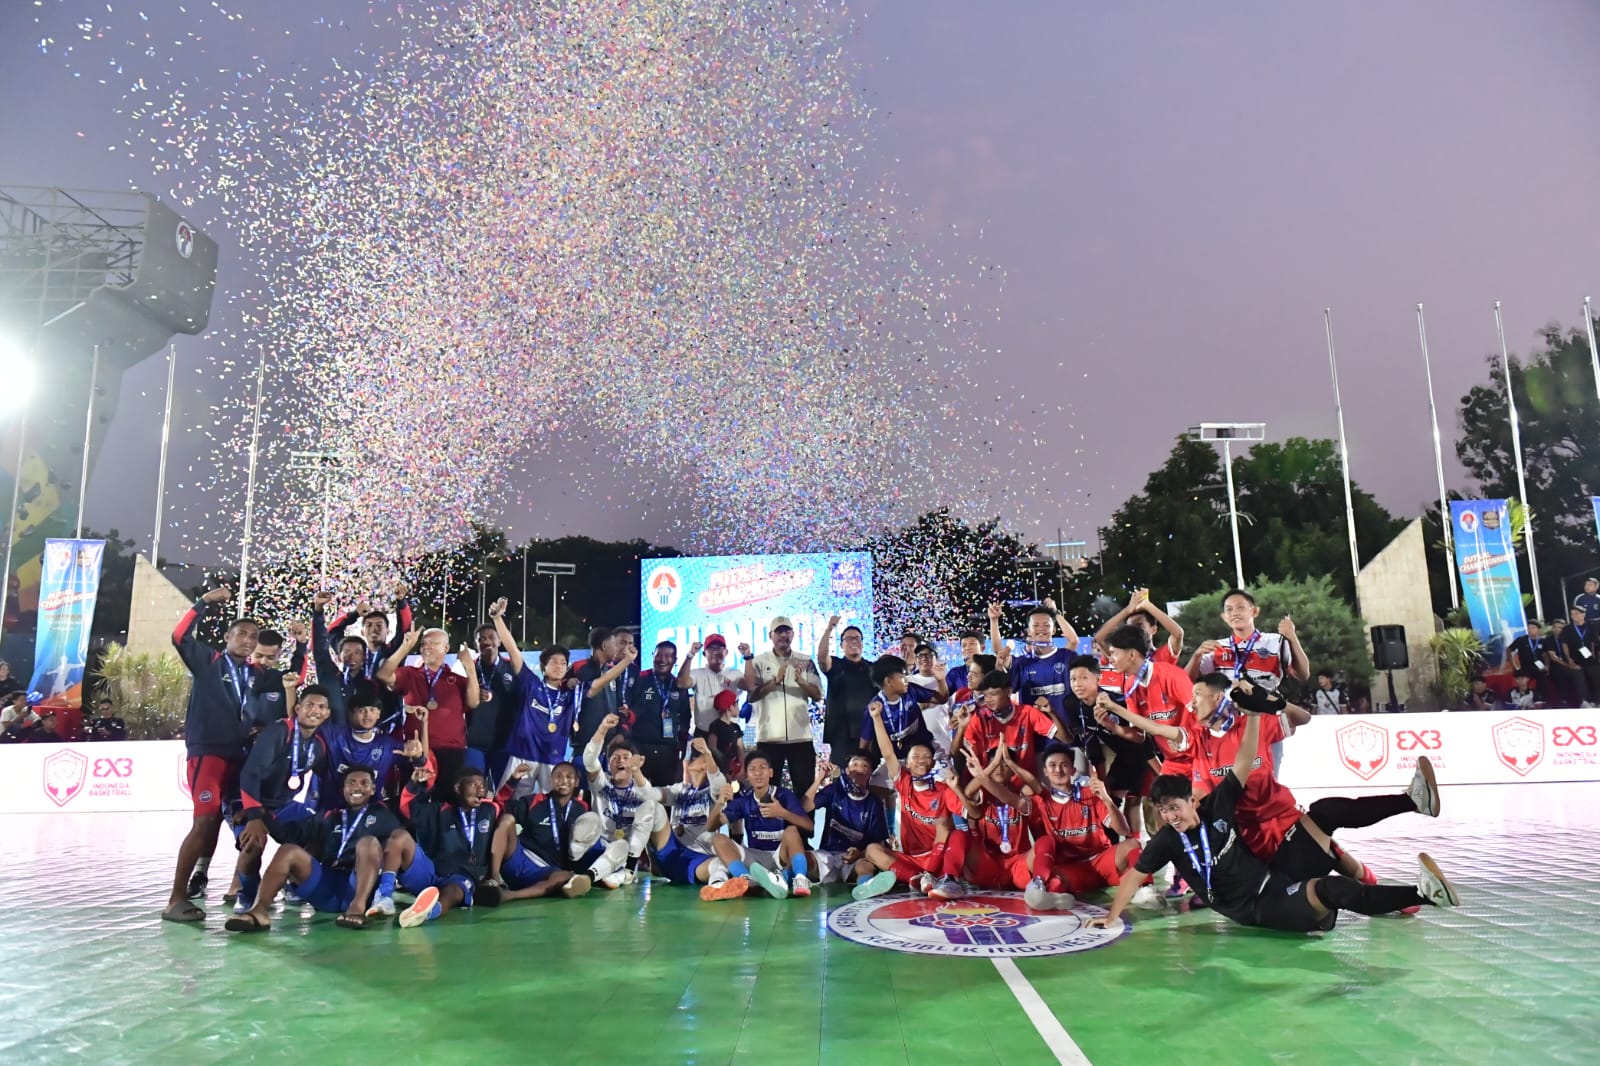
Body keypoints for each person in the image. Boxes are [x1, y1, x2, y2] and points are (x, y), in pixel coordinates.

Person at [1089, 703, 1460, 934]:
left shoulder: (1217, 804)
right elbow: (1134, 875)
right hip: (1260, 906)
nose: (1171, 816)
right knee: (1331, 888)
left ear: (1192, 801)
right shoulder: (1168, 840)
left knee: (1326, 813)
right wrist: (1112, 916)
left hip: (1277, 868)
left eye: (1175, 807)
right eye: (1165, 811)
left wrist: (1252, 716)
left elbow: (1243, 759)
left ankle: (1413, 800)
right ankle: (1423, 895)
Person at [163, 586, 273, 922]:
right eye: (241, 634)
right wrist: (204, 603)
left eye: (253, 636)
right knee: (205, 821)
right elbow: (179, 635)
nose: (248, 640)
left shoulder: (255, 675)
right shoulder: (209, 661)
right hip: (208, 753)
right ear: (227, 636)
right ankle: (176, 899)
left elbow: (286, 688)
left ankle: (245, 893)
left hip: (240, 758)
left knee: (251, 824)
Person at [224, 765, 402, 932]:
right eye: (351, 783)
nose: (357, 788)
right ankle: (259, 911)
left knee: (368, 843)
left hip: (359, 885)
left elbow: (398, 847)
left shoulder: (384, 815)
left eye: (364, 783)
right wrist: (260, 814)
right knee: (288, 850)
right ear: (343, 789)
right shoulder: (330, 816)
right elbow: (288, 834)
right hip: (327, 885)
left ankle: (357, 908)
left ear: (372, 790)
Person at [233, 685, 335, 914]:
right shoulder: (279, 732)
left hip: (283, 806)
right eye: (309, 705)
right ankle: (247, 894)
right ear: (297, 708)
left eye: (321, 707)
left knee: (320, 828)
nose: (315, 711)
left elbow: (326, 776)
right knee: (252, 844)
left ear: (327, 713)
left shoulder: (318, 745)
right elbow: (250, 775)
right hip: (248, 802)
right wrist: (253, 816)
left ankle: (294, 883)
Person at [861, 700, 970, 900]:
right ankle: (915, 878)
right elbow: (888, 752)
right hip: (913, 860)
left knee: (959, 835)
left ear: (932, 762)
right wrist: (877, 718)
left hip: (940, 857)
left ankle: (949, 881)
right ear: (908, 763)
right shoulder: (904, 783)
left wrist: (933, 864)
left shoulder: (944, 789)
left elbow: (952, 824)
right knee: (872, 850)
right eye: (916, 756)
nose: (921, 759)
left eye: (926, 756)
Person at [389, 764, 513, 925]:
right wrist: (415, 783)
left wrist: (514, 781)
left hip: (463, 877)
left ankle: (429, 912)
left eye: (483, 786)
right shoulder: (439, 811)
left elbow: (501, 801)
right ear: (458, 788)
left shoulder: (488, 810)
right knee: (399, 837)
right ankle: (384, 896)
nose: (480, 790)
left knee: (453, 891)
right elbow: (408, 809)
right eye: (474, 785)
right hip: (432, 873)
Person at [487, 760, 619, 901]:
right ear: (551, 779)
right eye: (558, 776)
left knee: (564, 876)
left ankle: (507, 896)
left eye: (569, 777)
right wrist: (513, 781)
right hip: (521, 859)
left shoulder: (582, 808)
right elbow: (498, 807)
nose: (563, 780)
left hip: (548, 872)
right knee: (507, 819)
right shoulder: (534, 801)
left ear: (576, 782)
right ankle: (494, 878)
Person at [377, 625, 482, 792]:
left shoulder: (457, 679)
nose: (426, 646)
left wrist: (469, 667)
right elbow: (383, 675)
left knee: (448, 803)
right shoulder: (410, 674)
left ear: (446, 648)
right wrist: (406, 647)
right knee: (413, 802)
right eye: (423, 643)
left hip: (451, 752)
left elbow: (474, 702)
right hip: (416, 750)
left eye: (433, 642)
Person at [702, 748, 814, 900]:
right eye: (752, 769)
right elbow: (710, 827)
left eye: (762, 768)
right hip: (753, 858)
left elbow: (809, 826)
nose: (758, 773)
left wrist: (782, 813)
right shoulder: (744, 801)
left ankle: (800, 880)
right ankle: (747, 880)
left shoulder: (784, 796)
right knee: (718, 839)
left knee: (792, 831)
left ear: (771, 773)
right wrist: (720, 802)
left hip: (778, 856)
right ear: (747, 776)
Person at [744, 616, 822, 796]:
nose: (783, 635)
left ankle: (802, 825)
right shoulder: (759, 662)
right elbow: (752, 695)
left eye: (787, 631)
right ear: (770, 635)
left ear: (793, 634)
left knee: (804, 793)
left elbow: (818, 695)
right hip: (769, 739)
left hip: (801, 738)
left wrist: (802, 682)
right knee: (767, 794)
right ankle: (770, 825)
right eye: (778, 632)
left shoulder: (805, 661)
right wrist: (775, 681)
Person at [582, 713, 661, 885]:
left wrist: (637, 771)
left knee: (649, 806)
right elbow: (589, 760)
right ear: (608, 764)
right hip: (599, 846)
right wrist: (602, 730)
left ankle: (627, 870)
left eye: (626, 758)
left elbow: (647, 793)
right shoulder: (601, 783)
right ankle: (595, 874)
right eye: (615, 758)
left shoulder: (641, 786)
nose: (620, 761)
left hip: (625, 852)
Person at [804, 750, 892, 897]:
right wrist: (819, 778)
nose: (859, 769)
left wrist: (860, 854)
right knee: (803, 857)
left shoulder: (874, 803)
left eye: (864, 766)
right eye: (855, 764)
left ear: (870, 772)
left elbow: (878, 844)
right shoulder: (834, 791)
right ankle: (785, 879)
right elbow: (805, 807)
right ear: (846, 771)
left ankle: (865, 887)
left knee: (866, 866)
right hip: (827, 855)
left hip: (853, 860)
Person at [645, 738, 727, 889]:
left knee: (719, 864)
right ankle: (651, 863)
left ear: (708, 766)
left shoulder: (713, 793)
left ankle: (717, 888)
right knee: (652, 807)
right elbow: (652, 794)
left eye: (699, 757)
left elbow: (718, 783)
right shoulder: (680, 789)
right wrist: (635, 774)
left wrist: (707, 752)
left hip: (697, 859)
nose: (694, 759)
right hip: (670, 851)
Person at [319, 691, 426, 807]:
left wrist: (418, 756)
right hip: (333, 810)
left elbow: (422, 768)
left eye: (372, 710)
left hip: (371, 814)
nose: (367, 715)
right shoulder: (333, 734)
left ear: (379, 714)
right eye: (361, 710)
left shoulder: (388, 745)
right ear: (350, 714)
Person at [991, 598, 1080, 721]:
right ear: (1029, 631)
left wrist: (1055, 612)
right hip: (1034, 734)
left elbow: (1074, 640)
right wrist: (994, 620)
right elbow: (999, 652)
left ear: (1053, 630)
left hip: (1068, 733)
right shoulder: (1021, 663)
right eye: (1035, 625)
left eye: (1046, 625)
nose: (1041, 628)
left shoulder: (1067, 656)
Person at [629, 640, 692, 785]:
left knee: (666, 798)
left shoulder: (679, 685)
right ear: (652, 656)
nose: (662, 659)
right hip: (640, 747)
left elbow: (685, 717)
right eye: (659, 655)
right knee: (637, 795)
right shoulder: (640, 679)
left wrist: (681, 744)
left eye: (668, 656)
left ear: (675, 660)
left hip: (668, 750)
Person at [859, 655, 937, 769]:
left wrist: (940, 680)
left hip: (922, 756)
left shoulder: (911, 691)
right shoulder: (874, 709)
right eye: (903, 676)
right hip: (893, 762)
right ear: (888, 681)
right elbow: (865, 745)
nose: (907, 680)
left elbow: (942, 698)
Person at [816, 615, 876, 760]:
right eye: (849, 639)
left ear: (862, 644)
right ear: (841, 645)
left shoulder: (873, 669)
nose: (853, 642)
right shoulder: (836, 665)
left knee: (873, 778)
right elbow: (822, 658)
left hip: (870, 734)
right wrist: (829, 629)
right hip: (841, 735)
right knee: (843, 778)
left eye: (857, 639)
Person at [466, 616, 518, 775]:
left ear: (500, 641)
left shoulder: (512, 667)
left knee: (504, 793)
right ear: (476, 644)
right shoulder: (468, 669)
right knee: (472, 788)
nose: (486, 642)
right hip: (475, 743)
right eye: (481, 639)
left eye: (491, 637)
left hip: (504, 744)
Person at [572, 627, 636, 752]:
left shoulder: (612, 671)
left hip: (609, 745)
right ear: (604, 646)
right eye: (614, 645)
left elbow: (619, 707)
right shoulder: (580, 667)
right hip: (585, 744)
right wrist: (627, 660)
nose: (617, 649)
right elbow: (593, 687)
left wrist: (621, 731)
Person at [677, 633, 746, 735]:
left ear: (726, 652)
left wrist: (748, 657)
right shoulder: (696, 673)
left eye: (719, 648)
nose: (715, 652)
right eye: (711, 648)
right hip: (703, 733)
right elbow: (681, 683)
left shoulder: (735, 673)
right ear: (704, 653)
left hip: (730, 732)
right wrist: (690, 655)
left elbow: (750, 686)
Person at [1095, 589, 1184, 665]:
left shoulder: (1163, 655)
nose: (1135, 630)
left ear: (1153, 629)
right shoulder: (1123, 658)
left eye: (1139, 625)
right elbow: (1099, 638)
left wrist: (1147, 605)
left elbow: (1178, 634)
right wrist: (1127, 611)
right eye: (1131, 627)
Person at [1558, 605, 1600, 706]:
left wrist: (1594, 657)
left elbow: (1594, 643)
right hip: (1574, 660)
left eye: (1576, 614)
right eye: (1572, 614)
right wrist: (1569, 659)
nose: (1574, 616)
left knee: (1596, 675)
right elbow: (1564, 645)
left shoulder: (1591, 626)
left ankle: (1597, 701)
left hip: (1590, 659)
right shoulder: (1567, 629)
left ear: (1583, 614)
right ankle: (1584, 702)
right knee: (1579, 677)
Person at [705, 689, 746, 778]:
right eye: (737, 704)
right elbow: (712, 748)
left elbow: (741, 749)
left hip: (736, 770)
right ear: (730, 707)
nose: (738, 708)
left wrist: (742, 767)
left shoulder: (736, 727)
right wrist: (724, 766)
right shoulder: (715, 726)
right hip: (719, 771)